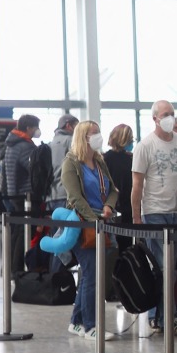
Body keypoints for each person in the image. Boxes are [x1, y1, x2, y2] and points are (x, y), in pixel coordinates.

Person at [130, 100, 177, 331]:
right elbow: (137, 184)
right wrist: (136, 217)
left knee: (173, 268)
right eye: (165, 114)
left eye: (172, 113)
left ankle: (162, 316)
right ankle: (163, 317)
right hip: (154, 212)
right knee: (162, 266)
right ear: (155, 118)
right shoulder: (145, 146)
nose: (170, 117)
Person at [60, 121, 118, 340]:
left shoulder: (99, 161)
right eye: (94, 134)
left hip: (101, 221)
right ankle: (91, 326)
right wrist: (94, 220)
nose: (99, 137)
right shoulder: (71, 163)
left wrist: (108, 206)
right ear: (83, 137)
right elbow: (75, 197)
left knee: (89, 275)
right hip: (83, 224)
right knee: (92, 274)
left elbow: (113, 189)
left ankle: (77, 321)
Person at [0, 114, 40, 274]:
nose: (37, 130)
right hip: (24, 196)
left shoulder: (12, 142)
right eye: (36, 127)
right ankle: (17, 268)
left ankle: (9, 267)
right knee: (23, 233)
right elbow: (33, 169)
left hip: (12, 193)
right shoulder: (25, 146)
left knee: (15, 232)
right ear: (29, 128)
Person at [103, 125, 135, 248]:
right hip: (114, 205)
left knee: (126, 243)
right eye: (130, 138)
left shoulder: (131, 158)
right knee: (115, 243)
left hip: (127, 205)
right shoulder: (106, 158)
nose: (132, 141)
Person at [47, 115, 78, 211]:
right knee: (68, 225)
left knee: (56, 225)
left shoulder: (50, 143)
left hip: (51, 195)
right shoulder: (72, 141)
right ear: (68, 126)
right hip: (67, 194)